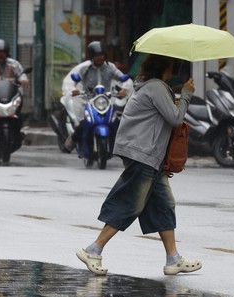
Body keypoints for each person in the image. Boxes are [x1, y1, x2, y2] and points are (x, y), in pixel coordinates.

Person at [76, 53, 202, 276]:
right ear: (167, 66)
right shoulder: (155, 87)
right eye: (175, 64)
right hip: (143, 153)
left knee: (164, 203)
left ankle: (173, 258)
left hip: (150, 156)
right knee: (130, 203)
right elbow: (175, 119)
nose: (177, 68)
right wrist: (186, 95)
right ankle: (93, 249)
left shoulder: (150, 86)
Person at [61, 41, 132, 152]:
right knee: (83, 124)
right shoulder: (85, 69)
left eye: (102, 55)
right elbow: (71, 81)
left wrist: (125, 89)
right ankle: (72, 141)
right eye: (97, 55)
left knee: (117, 123)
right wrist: (73, 90)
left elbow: (124, 79)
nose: (100, 58)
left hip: (106, 101)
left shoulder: (111, 68)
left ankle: (124, 147)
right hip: (88, 102)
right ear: (92, 56)